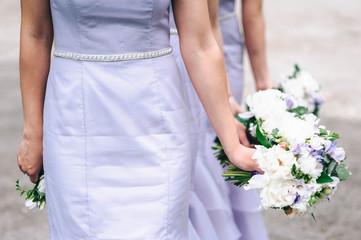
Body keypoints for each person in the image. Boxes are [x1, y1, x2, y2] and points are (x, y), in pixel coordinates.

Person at [17, 0, 261, 239]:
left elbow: (200, 45)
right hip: (74, 117)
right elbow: (35, 34)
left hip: (157, 118)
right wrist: (32, 132)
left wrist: (232, 146)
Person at [195, 0, 272, 239]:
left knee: (216, 142)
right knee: (211, 143)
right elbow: (253, 14)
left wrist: (263, 83)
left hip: (210, 43)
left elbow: (253, 13)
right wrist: (263, 82)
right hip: (203, 46)